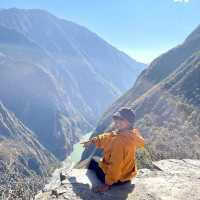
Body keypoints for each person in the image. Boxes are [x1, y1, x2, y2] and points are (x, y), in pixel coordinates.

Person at [81, 107, 145, 193]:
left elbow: (116, 165)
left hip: (117, 180)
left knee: (93, 162)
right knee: (98, 160)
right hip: (127, 175)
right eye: (116, 119)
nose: (117, 122)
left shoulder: (119, 141)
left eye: (121, 119)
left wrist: (107, 184)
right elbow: (108, 136)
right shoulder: (130, 134)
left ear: (129, 122)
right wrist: (92, 141)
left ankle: (103, 182)